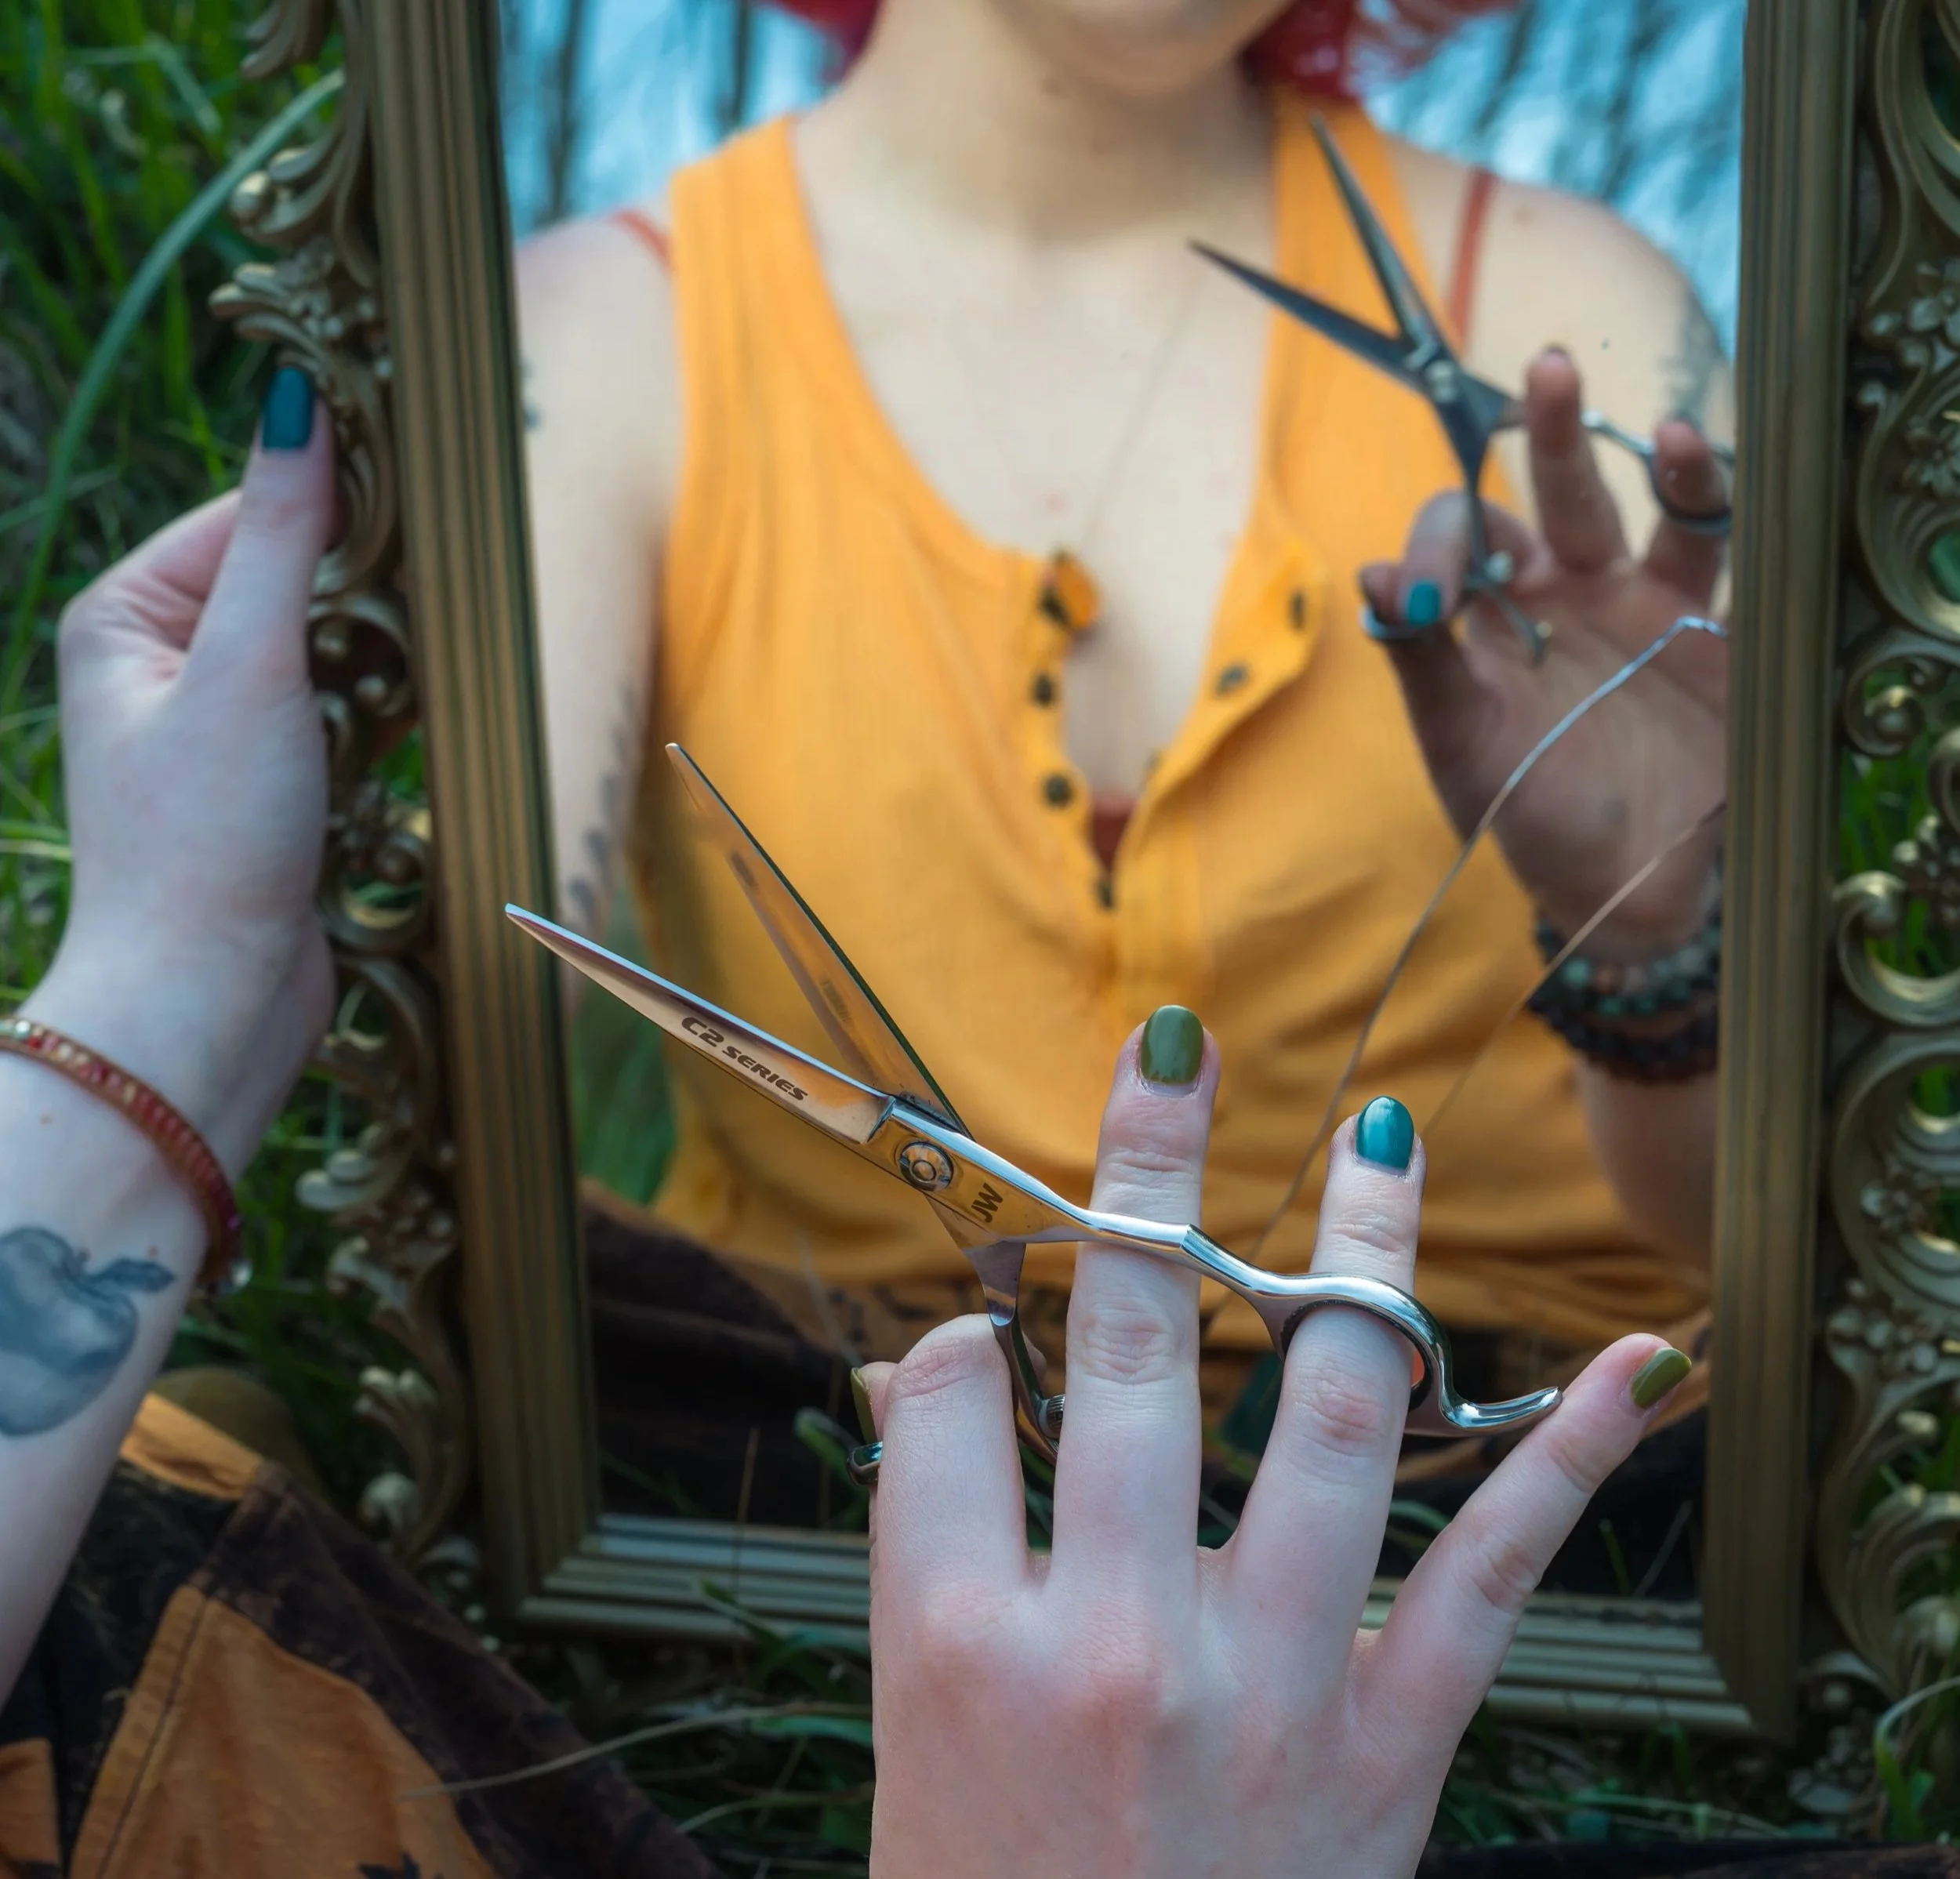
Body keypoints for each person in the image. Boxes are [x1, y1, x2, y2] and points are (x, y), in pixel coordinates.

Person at [0, 365, 1734, 1877]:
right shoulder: (638, 328)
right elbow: (519, 901)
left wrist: (176, 989)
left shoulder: (1549, 322)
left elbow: (1744, 1245)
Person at [516, 0, 1733, 1413]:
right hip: (819, 1469)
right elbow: (456, 1079)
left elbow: (1786, 1230)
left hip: (1548, 1481)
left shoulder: (1563, 319)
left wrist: (1656, 940)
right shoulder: (601, 341)